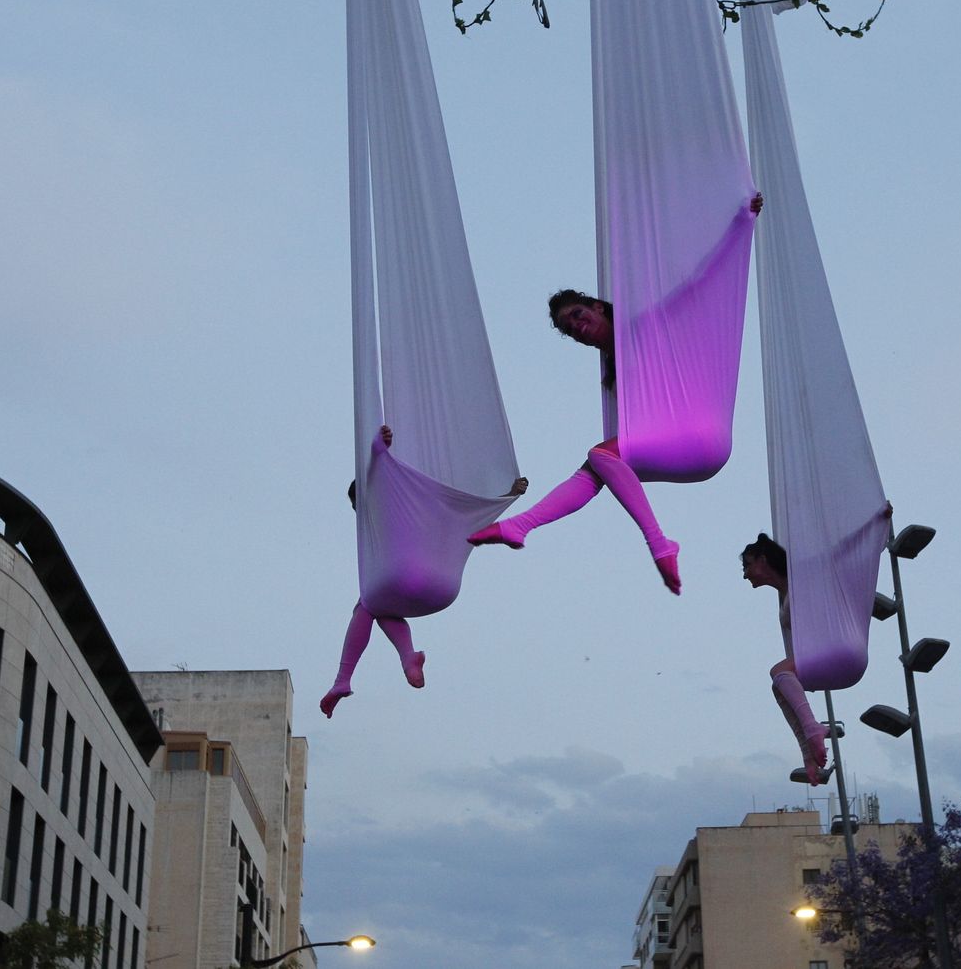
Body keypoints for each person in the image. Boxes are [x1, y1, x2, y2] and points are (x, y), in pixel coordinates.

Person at [468, 193, 766, 595]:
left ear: (598, 307)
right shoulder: (612, 373)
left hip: (701, 436)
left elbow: (700, 283)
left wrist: (742, 226)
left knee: (602, 455)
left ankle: (660, 543)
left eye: (578, 315)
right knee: (597, 465)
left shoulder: (646, 326)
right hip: (679, 446)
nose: (577, 327)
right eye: (569, 329)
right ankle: (519, 526)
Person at [322, 425, 527, 715]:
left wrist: (378, 450)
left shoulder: (381, 520)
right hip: (444, 590)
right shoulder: (428, 509)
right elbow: (468, 512)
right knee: (381, 607)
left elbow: (380, 475)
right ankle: (408, 658)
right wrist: (508, 494)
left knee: (367, 604)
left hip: (402, 579)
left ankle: (344, 679)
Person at [740, 532, 832, 785]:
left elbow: (835, 551)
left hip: (831, 648)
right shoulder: (784, 593)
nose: (745, 574)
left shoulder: (801, 582)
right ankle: (808, 754)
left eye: (747, 565)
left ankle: (813, 729)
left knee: (778, 672)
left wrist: (876, 523)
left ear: (763, 559)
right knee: (778, 684)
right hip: (813, 655)